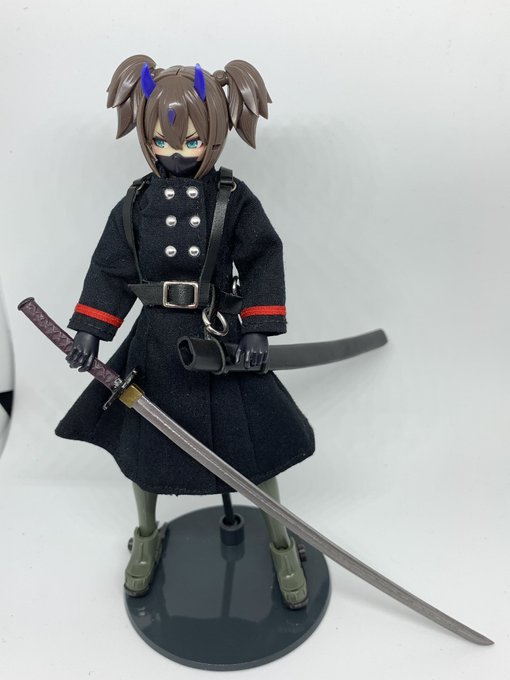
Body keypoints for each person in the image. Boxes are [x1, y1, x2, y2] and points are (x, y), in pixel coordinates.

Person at [56, 55, 315, 609]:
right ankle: (147, 536)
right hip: (154, 346)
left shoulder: (231, 198)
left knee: (254, 451)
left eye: (191, 142)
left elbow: (262, 256)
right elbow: (111, 268)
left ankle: (280, 540)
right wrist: (90, 330)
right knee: (144, 449)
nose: (175, 153)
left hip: (216, 342)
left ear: (215, 137)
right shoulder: (136, 202)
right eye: (162, 141)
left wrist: (257, 329)